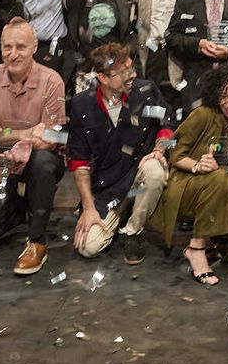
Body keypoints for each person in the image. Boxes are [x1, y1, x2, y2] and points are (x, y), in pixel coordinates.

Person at [0, 20, 69, 275]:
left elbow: (52, 139)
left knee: (43, 161)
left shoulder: (52, 81)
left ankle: (37, 241)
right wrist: (25, 133)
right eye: (7, 47)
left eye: (21, 46)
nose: (13, 53)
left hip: (39, 164)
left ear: (34, 47)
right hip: (2, 168)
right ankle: (17, 209)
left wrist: (1, 135)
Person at [151, 64, 228, 286]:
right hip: (186, 186)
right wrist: (197, 165)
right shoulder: (202, 114)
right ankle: (196, 248)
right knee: (219, 176)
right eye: (223, 96)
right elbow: (175, 152)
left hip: (218, 192)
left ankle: (208, 241)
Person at [69, 44, 173, 262]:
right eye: (123, 72)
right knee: (88, 247)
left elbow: (167, 125)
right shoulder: (82, 105)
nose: (132, 75)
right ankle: (120, 212)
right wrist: (88, 208)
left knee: (155, 170)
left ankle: (135, 231)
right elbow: (79, 163)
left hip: (138, 174)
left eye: (132, 68)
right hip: (106, 186)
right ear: (102, 77)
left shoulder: (146, 91)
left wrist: (159, 149)